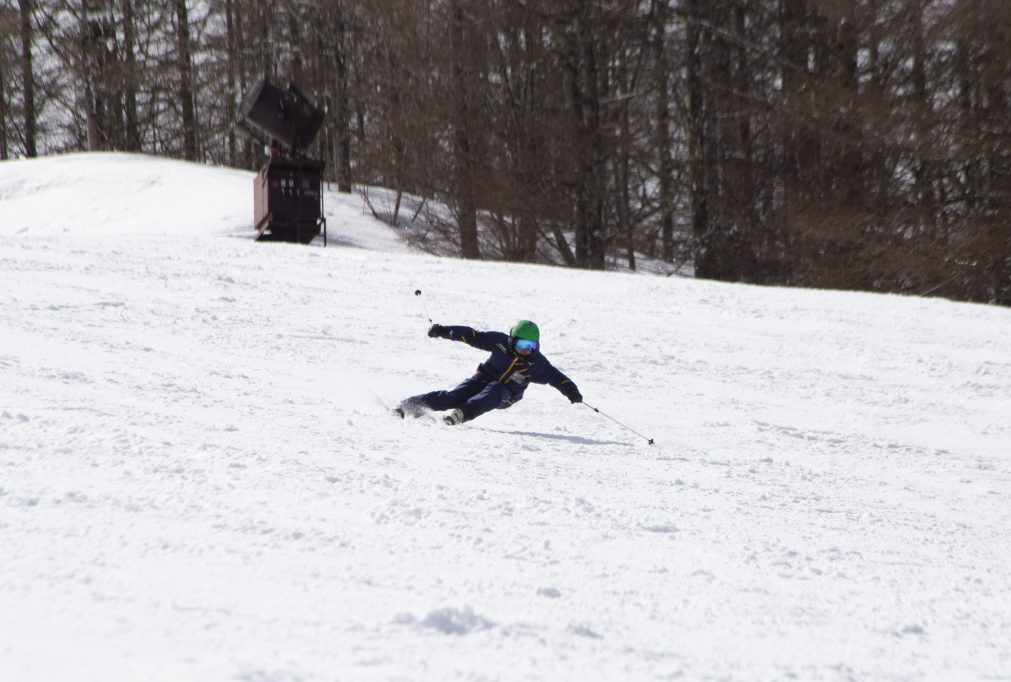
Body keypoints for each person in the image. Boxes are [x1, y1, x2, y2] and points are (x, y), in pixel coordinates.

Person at [395, 319, 583, 426]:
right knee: (453, 396)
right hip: (482, 378)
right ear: (512, 340)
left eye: (531, 346)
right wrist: (443, 331)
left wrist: (571, 391)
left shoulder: (536, 363)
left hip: (507, 394)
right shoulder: (499, 342)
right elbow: (472, 336)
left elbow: (557, 378)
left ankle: (461, 414)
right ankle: (407, 406)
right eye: (522, 344)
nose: (526, 349)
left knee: (496, 390)